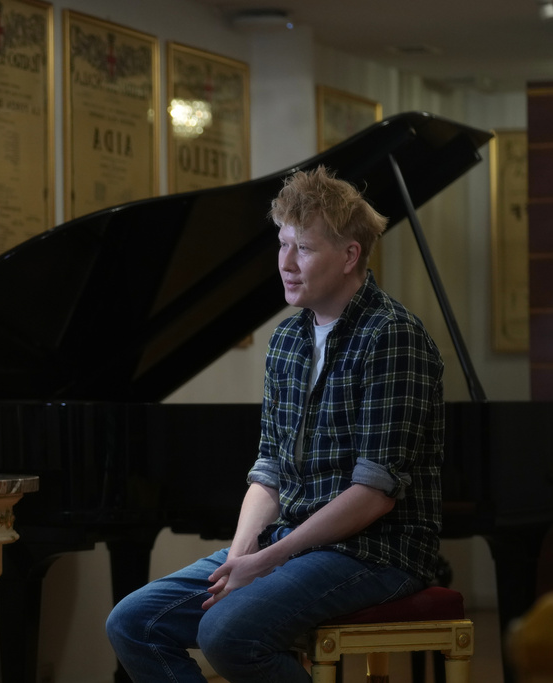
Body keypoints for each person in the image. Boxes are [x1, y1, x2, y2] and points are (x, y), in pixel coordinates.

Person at [105, 165, 446, 683]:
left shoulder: (391, 336)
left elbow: (376, 493)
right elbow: (269, 471)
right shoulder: (287, 340)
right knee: (132, 622)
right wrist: (240, 557)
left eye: (303, 249)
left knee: (225, 633)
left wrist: (266, 562)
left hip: (377, 551)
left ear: (350, 254)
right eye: (282, 244)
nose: (285, 263)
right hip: (291, 542)